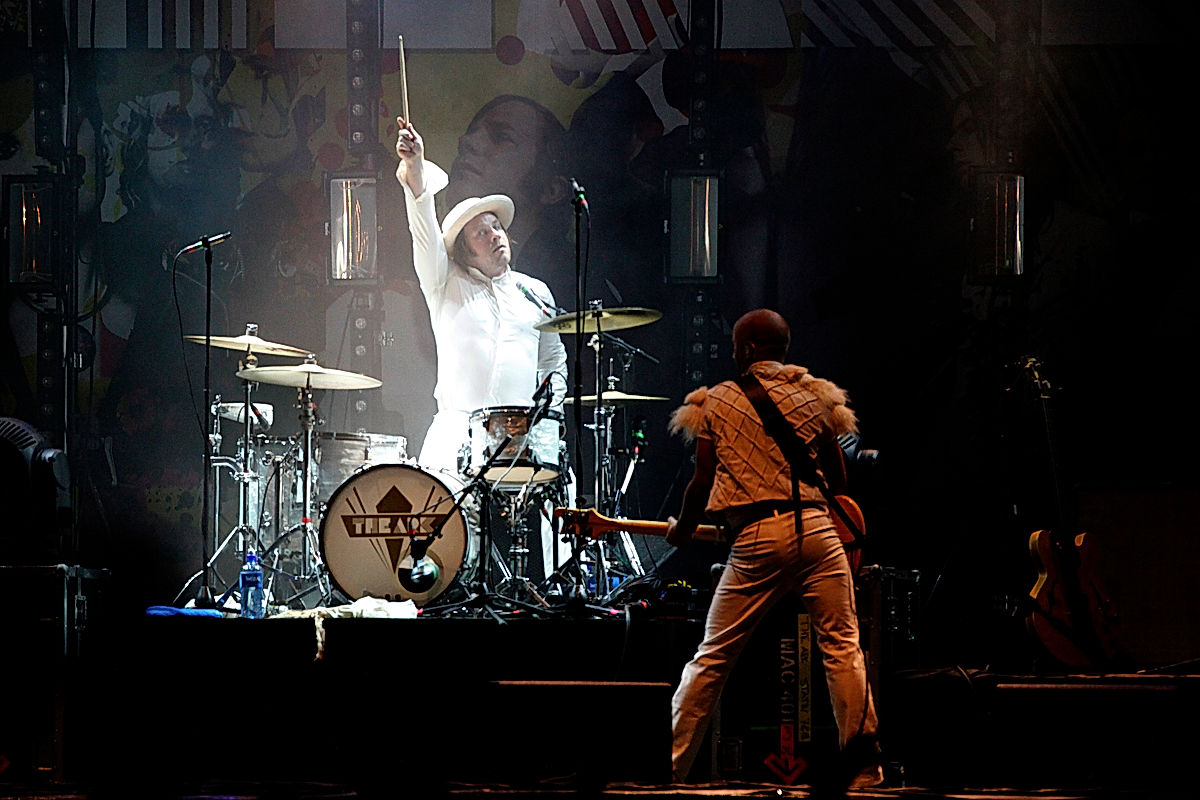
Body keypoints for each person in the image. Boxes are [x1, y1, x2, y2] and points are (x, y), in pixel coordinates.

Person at [664, 308, 882, 788]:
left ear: (745, 351)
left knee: (712, 656)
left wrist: (682, 532)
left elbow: (701, 484)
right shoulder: (816, 397)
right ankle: (866, 771)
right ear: (783, 349)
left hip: (758, 537)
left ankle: (672, 770)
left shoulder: (716, 401)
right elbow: (838, 481)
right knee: (844, 648)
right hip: (821, 535)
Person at [394, 114, 572, 584]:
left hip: (520, 439)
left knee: (548, 521)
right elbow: (423, 232)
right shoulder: (444, 282)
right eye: (482, 232)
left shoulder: (536, 293)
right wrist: (415, 171)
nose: (495, 235)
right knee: (441, 539)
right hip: (455, 433)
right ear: (464, 251)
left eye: (498, 228)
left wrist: (549, 411)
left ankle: (546, 595)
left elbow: (553, 360)